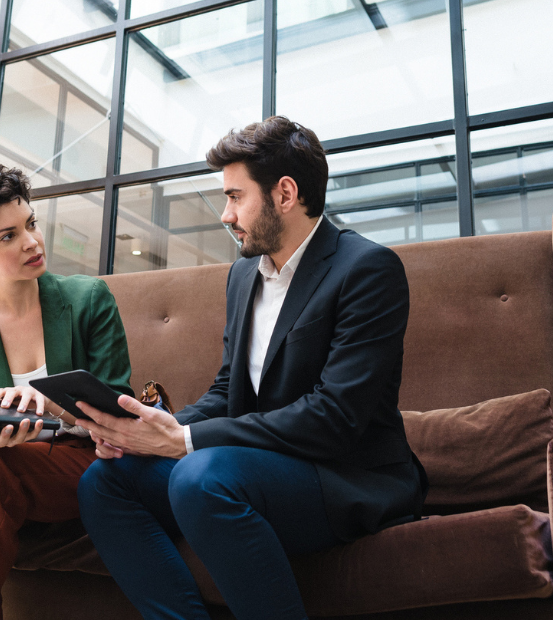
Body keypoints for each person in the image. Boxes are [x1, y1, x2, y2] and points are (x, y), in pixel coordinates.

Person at [74, 116, 427, 620]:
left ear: (285, 193)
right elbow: (230, 388)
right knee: (106, 481)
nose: (225, 214)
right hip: (255, 470)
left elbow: (334, 418)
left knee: (201, 475)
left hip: (346, 477)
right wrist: (154, 429)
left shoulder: (367, 269)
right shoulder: (243, 274)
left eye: (236, 197)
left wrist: (186, 443)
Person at [0, 163, 134, 620]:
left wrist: (57, 406)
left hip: (83, 459)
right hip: (1, 456)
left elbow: (119, 405)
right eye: (8, 236)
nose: (32, 242)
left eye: (31, 225)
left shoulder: (87, 299)